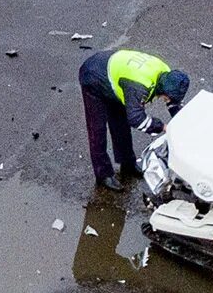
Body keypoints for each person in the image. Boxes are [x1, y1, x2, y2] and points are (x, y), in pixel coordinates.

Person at [78, 48, 189, 191]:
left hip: (114, 75)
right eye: (168, 97)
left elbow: (173, 103)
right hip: (93, 77)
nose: (167, 100)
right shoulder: (139, 87)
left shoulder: (167, 75)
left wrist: (182, 123)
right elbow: (137, 119)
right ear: (164, 92)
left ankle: (128, 163)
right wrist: (163, 127)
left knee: (120, 124)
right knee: (97, 130)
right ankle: (103, 174)